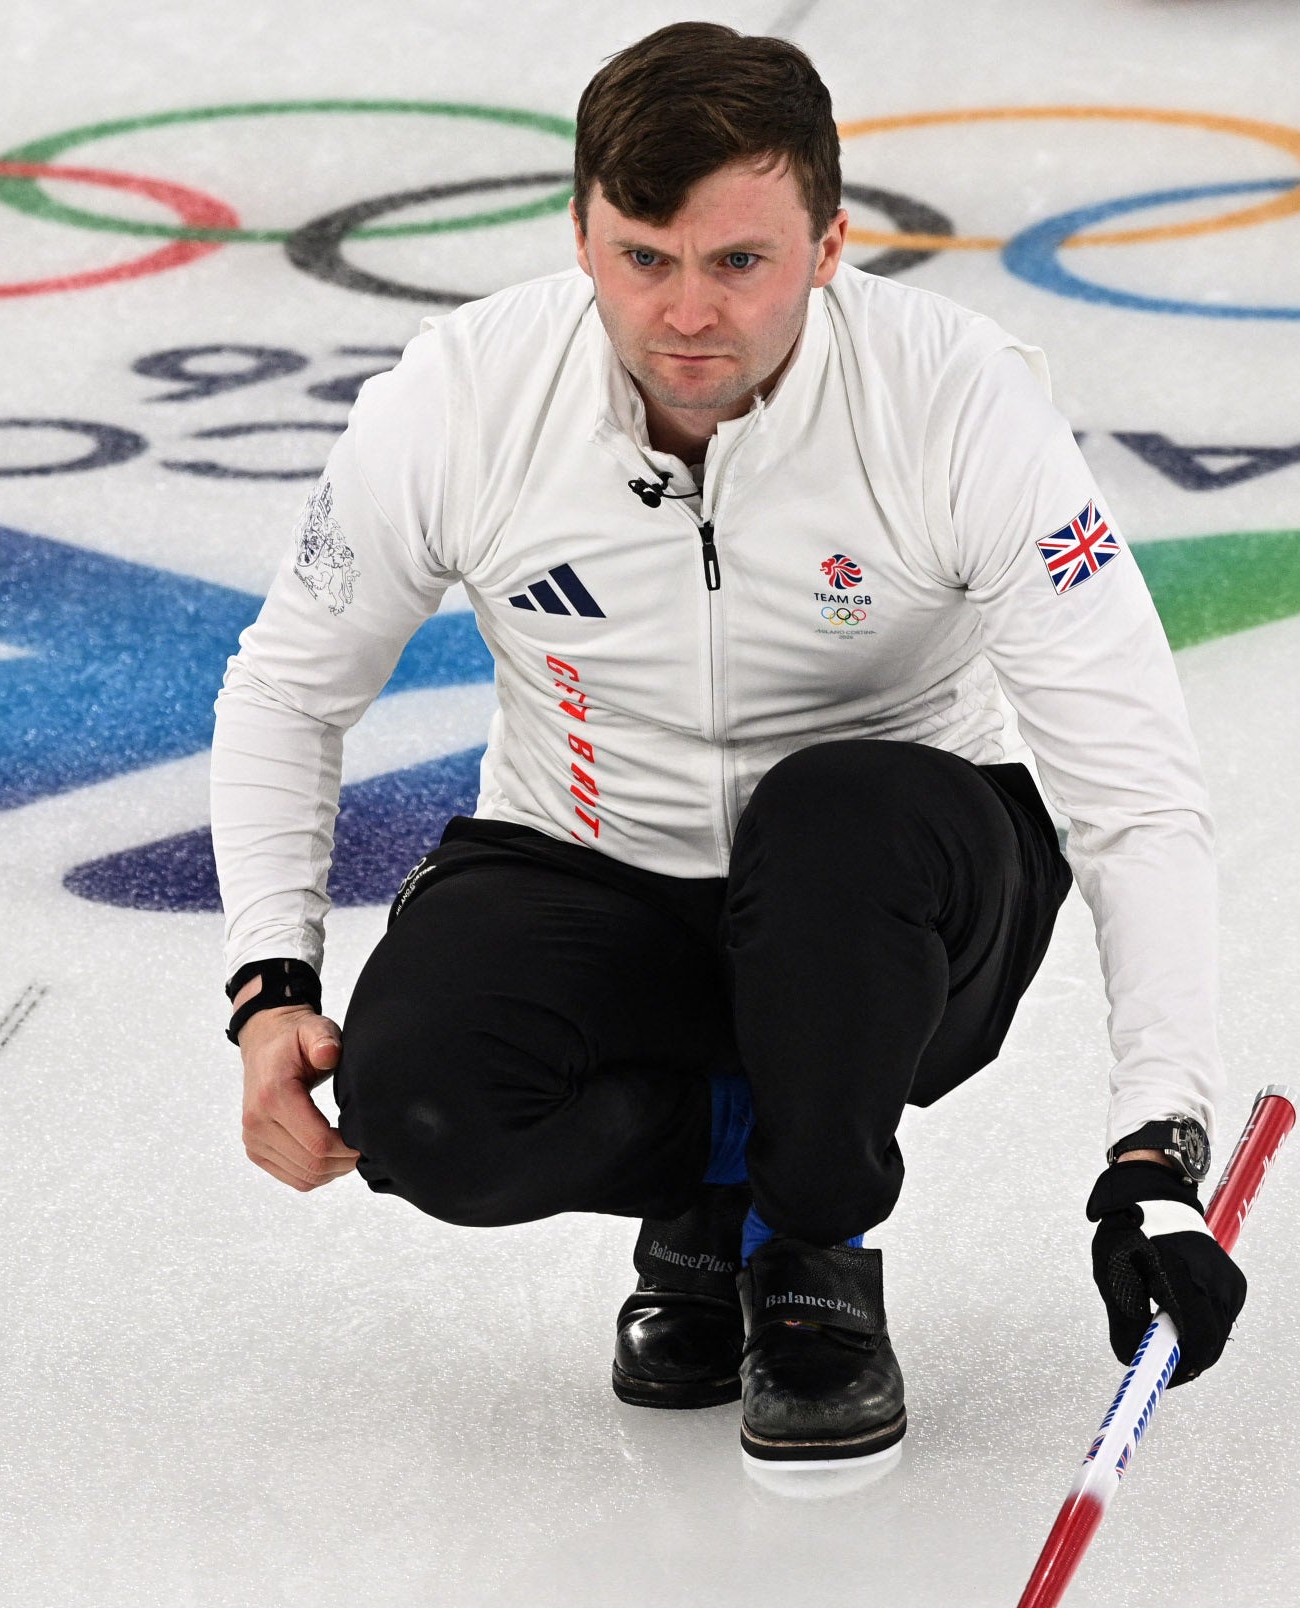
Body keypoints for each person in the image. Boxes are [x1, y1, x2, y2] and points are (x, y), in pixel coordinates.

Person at [210, 21, 1246, 1468]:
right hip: (587, 862)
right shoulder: (460, 399)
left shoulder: (957, 402)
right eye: (645, 258)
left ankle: (812, 1247)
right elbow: (285, 691)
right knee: (419, 1105)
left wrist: (1161, 1148)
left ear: (828, 246)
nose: (688, 314)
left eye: (739, 263)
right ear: (581, 235)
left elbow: (1133, 790)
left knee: (832, 815)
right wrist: (271, 983)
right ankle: (715, 1199)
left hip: (895, 900)